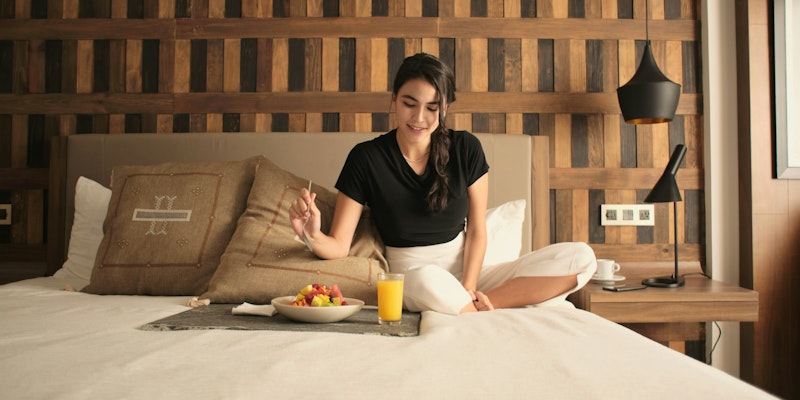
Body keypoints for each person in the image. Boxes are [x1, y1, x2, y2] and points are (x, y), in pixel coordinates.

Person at [289, 53, 596, 315]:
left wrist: (470, 287)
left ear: (444, 108)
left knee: (581, 258)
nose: (419, 117)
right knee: (427, 280)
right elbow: (340, 245)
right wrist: (311, 234)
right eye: (410, 103)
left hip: (471, 276)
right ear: (394, 99)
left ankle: (476, 308)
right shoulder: (366, 158)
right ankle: (474, 309)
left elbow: (476, 231)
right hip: (415, 277)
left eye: (432, 108)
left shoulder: (466, 148)